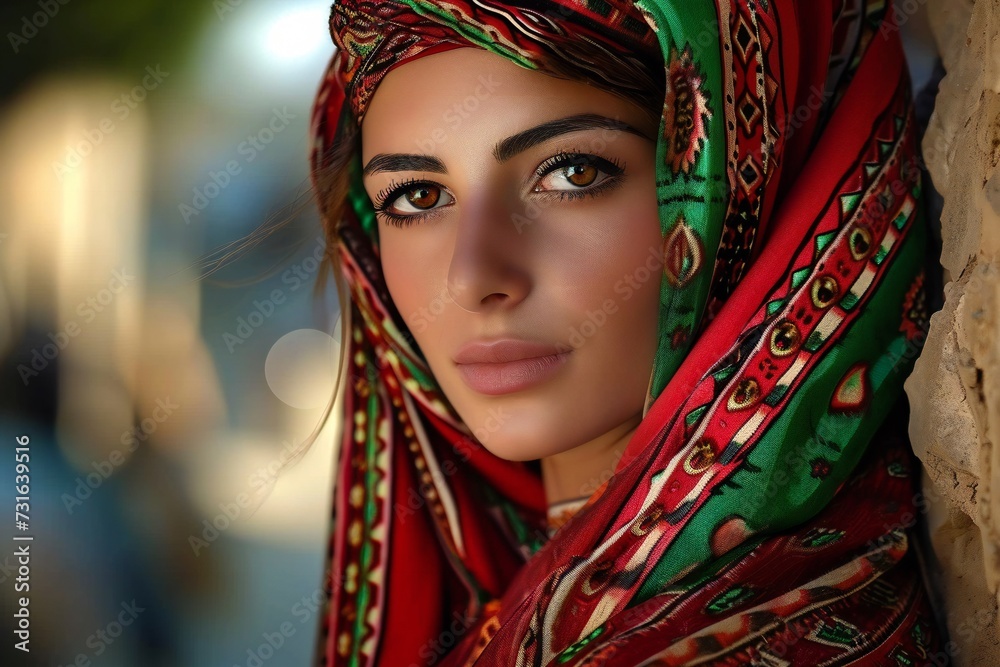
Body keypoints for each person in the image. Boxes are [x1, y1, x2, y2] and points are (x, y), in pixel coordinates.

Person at [307, 1, 946, 664]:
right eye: (416, 196)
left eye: (572, 173)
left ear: (738, 196)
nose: (473, 276)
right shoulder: (499, 604)